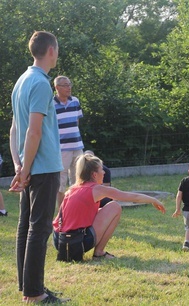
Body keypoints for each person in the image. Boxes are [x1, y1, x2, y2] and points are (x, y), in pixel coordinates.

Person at [9, 31, 66, 303]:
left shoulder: (21, 80)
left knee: (25, 227)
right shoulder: (42, 84)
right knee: (39, 228)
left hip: (30, 166)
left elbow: (14, 130)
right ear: (51, 50)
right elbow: (33, 132)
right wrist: (27, 168)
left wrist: (19, 166)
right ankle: (34, 292)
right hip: (42, 168)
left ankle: (27, 286)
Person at [52, 153, 165, 259]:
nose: (104, 172)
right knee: (115, 207)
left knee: (102, 210)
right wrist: (153, 200)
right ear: (94, 174)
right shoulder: (97, 189)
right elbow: (132, 197)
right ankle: (99, 252)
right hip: (76, 242)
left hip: (59, 241)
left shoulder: (72, 189)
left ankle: (96, 251)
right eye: (102, 169)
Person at [54, 75, 84, 206]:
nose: (68, 87)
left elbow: (76, 122)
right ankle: (61, 210)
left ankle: (74, 207)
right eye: (65, 85)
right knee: (61, 180)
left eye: (69, 84)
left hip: (77, 146)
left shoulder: (75, 101)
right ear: (57, 87)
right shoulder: (51, 104)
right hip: (61, 148)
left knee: (79, 178)